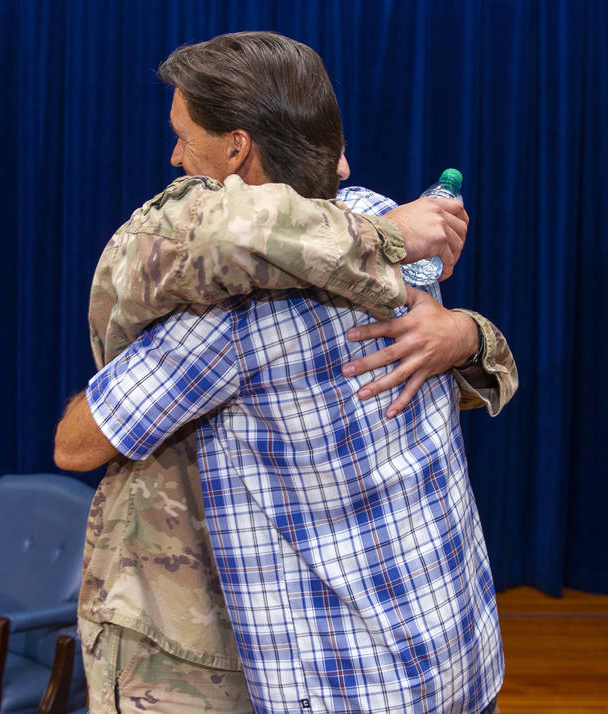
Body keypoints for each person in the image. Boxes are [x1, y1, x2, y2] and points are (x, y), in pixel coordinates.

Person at [55, 32, 515, 713]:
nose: (174, 156)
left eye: (185, 137)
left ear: (237, 148)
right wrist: (463, 330)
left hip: (354, 686)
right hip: (461, 655)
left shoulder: (230, 323)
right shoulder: (383, 220)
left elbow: (78, 444)